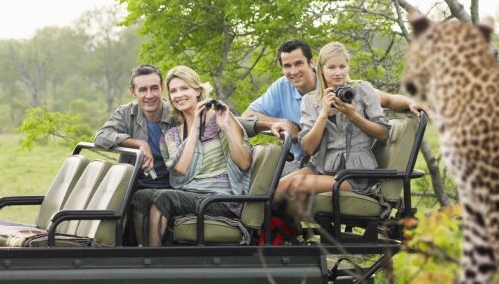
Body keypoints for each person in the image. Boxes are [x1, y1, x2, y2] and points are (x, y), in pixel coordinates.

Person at [242, 39, 422, 171]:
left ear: (312, 64)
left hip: (337, 162)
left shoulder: (337, 85)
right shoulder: (282, 86)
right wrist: (278, 123)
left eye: (298, 64)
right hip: (301, 159)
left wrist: (411, 102)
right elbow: (248, 115)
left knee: (274, 185)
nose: (293, 71)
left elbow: (388, 100)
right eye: (287, 66)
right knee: (258, 174)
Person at [144, 66, 253, 247]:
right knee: (141, 196)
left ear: (197, 90)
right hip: (191, 195)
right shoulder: (171, 135)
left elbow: (244, 163)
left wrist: (225, 128)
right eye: (173, 91)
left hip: (220, 199)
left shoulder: (222, 118)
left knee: (164, 197)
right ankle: (138, 251)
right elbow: (181, 169)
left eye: (184, 88)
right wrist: (194, 127)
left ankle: (150, 260)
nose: (179, 95)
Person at [276, 42, 390, 198]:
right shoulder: (310, 100)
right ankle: (263, 222)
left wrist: (353, 116)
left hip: (354, 173)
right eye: (331, 68)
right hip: (321, 165)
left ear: (348, 67)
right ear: (320, 69)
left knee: (297, 184)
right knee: (277, 188)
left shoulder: (362, 90)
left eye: (342, 67)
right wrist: (323, 114)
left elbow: (383, 133)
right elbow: (308, 149)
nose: (338, 73)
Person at [95, 64, 177, 242]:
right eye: (143, 90)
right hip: (135, 185)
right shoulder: (126, 112)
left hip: (173, 185)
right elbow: (101, 136)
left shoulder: (176, 112)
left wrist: (253, 125)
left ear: (162, 88)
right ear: (133, 91)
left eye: (154, 88)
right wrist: (137, 143)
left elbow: (210, 119)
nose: (149, 95)